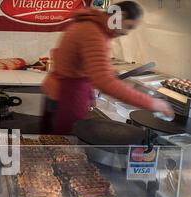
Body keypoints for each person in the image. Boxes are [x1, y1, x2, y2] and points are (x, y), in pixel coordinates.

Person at [42, 1, 174, 135]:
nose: (126, 33)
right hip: (66, 98)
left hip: (61, 93)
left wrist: (89, 94)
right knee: (63, 148)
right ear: (120, 16)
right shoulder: (93, 31)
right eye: (128, 26)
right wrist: (153, 103)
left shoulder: (88, 25)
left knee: (54, 144)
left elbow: (79, 66)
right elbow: (104, 81)